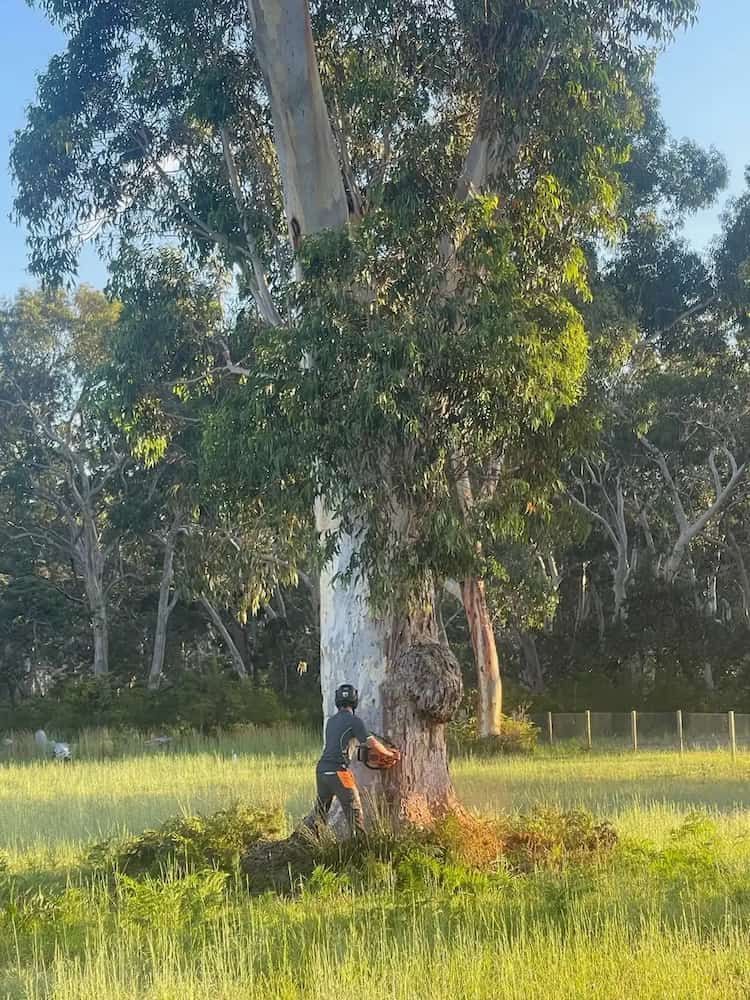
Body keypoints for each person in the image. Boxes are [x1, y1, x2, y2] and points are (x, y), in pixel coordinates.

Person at [306, 683, 399, 837]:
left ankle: (307, 840)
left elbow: (342, 745)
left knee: (320, 812)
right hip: (339, 772)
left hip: (322, 771)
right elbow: (372, 743)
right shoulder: (354, 721)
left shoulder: (331, 721)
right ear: (355, 700)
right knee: (354, 810)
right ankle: (361, 850)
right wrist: (390, 754)